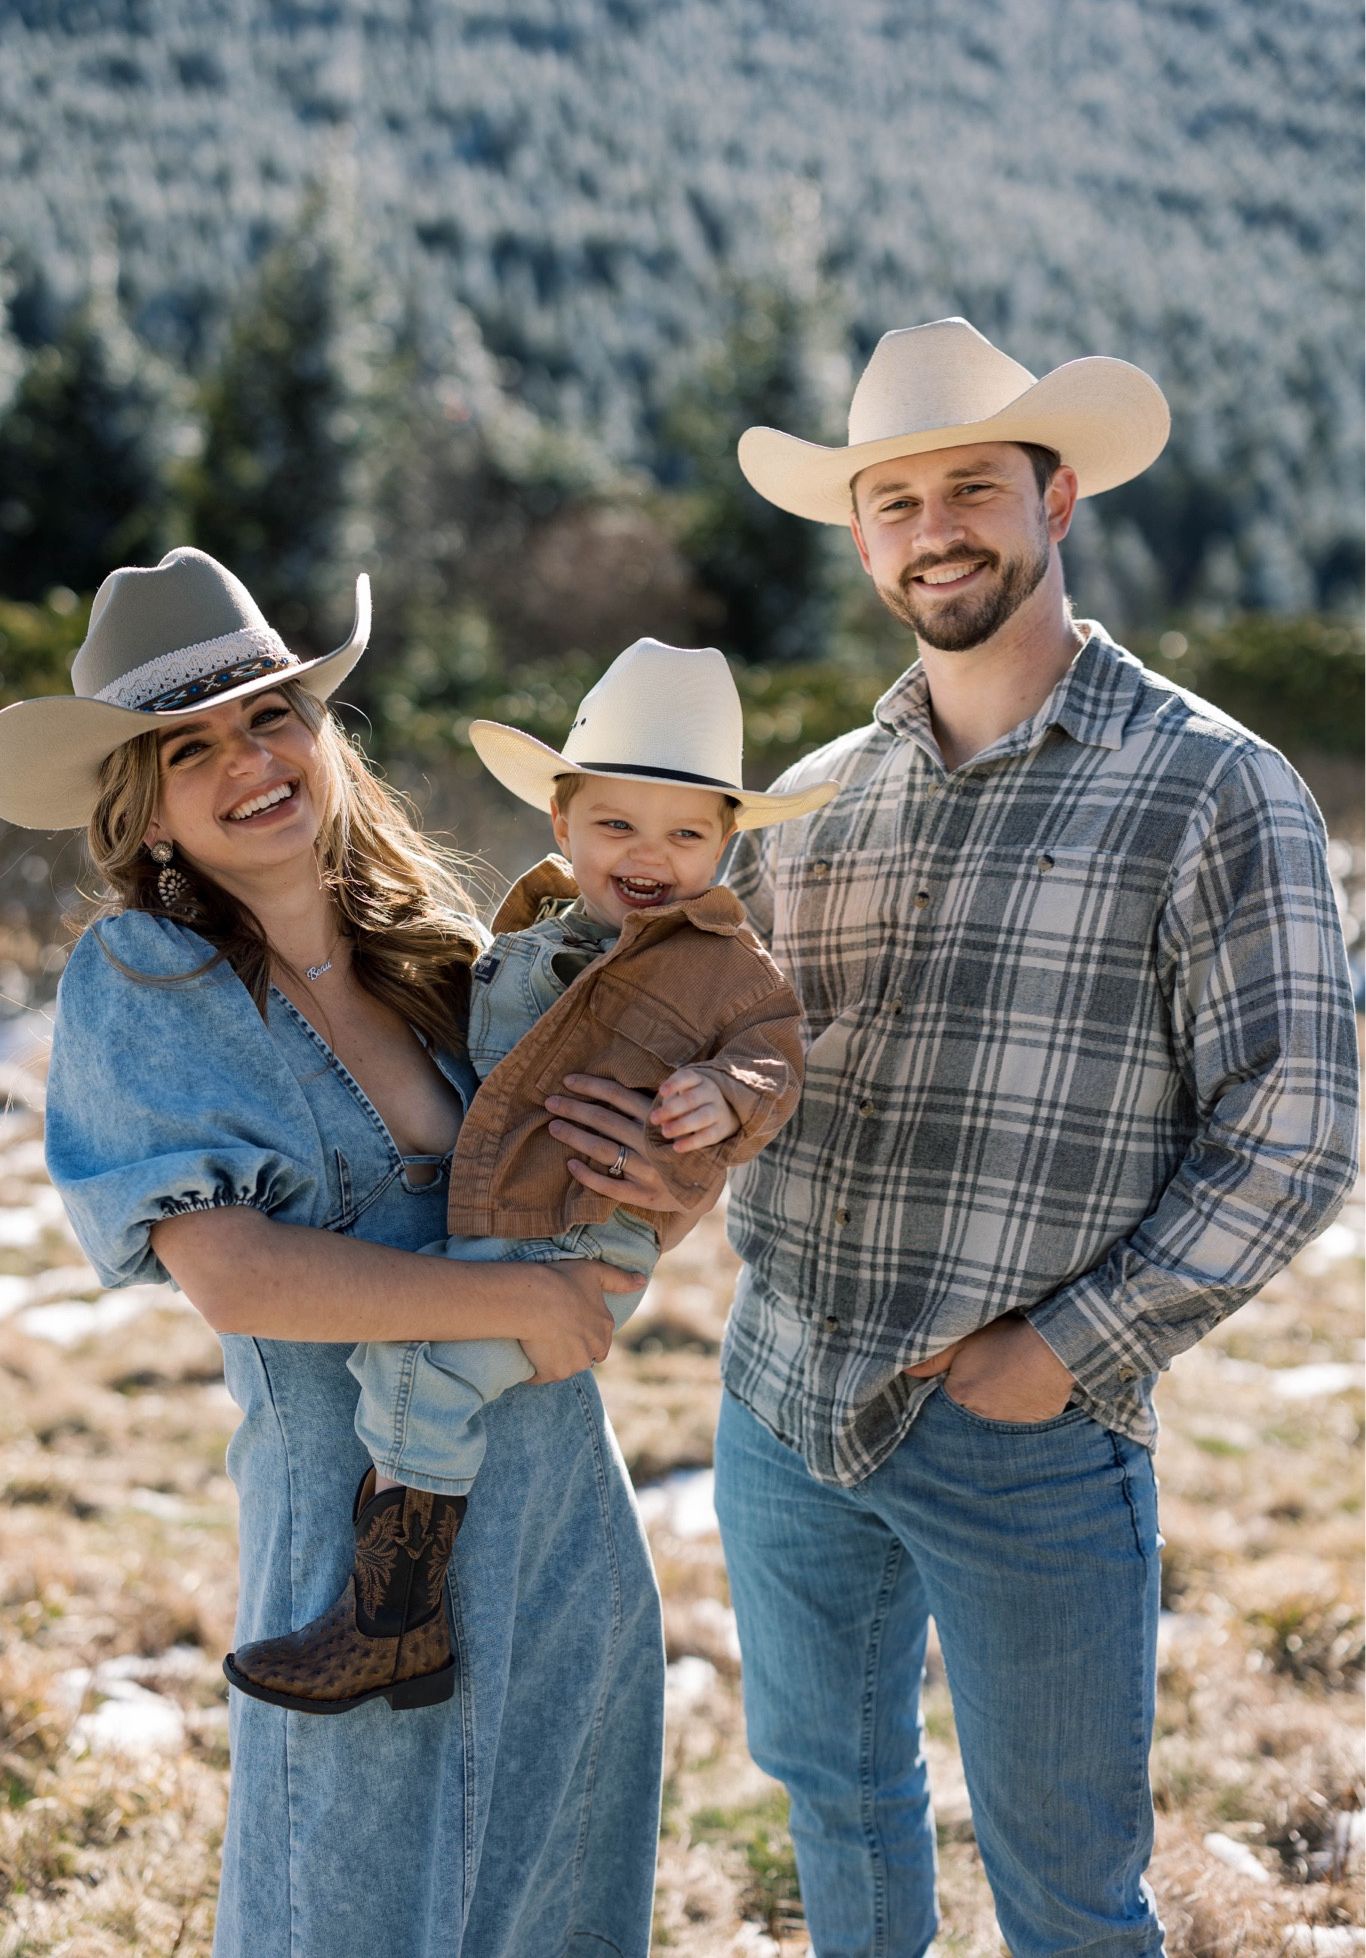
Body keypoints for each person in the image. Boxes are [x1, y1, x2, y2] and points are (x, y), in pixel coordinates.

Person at [712, 318, 1359, 1958]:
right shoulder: (814, 798)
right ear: (861, 535)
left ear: (1054, 495)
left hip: (1027, 1430)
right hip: (781, 1393)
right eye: (896, 500)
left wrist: (1063, 1347)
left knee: (1067, 1892)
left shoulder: (1212, 784)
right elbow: (747, 1065)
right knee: (837, 1809)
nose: (936, 529)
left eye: (972, 488)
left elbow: (1295, 1129)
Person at [2, 546, 695, 1957]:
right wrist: (521, 1295)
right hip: (354, 1548)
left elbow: (581, 1206)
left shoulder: (451, 951)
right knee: (354, 1904)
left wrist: (659, 1168)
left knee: (559, 1894)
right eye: (188, 747)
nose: (247, 761)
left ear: (320, 733)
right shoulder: (144, 979)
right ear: (143, 807)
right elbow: (234, 1273)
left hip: (562, 1504)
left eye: (270, 715)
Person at [223, 637, 834, 1713]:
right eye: (616, 825)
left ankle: (394, 1619)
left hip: (575, 1229)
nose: (650, 855)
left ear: (726, 845)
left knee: (417, 1373)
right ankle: (400, 1609)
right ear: (562, 824)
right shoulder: (533, 929)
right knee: (406, 1358)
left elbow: (774, 1051)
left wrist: (725, 1096)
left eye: (687, 833)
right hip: (501, 1211)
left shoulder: (721, 964)